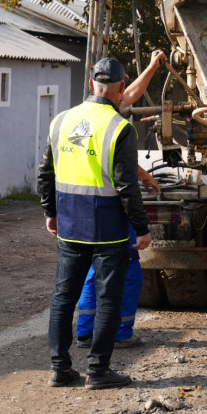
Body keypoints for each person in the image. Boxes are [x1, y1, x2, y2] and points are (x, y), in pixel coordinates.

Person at [38, 56, 152, 389]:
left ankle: (60, 369)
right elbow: (127, 185)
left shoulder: (61, 120)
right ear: (120, 90)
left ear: (91, 85)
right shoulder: (120, 127)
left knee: (63, 296)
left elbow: (46, 173)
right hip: (108, 228)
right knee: (108, 299)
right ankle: (98, 371)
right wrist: (142, 228)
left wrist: (50, 212)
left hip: (70, 225)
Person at [76, 51, 166, 350]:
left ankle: (85, 332)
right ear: (118, 88)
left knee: (92, 272)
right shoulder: (115, 122)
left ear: (93, 84)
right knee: (128, 273)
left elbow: (133, 93)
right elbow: (121, 168)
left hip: (81, 210)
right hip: (111, 209)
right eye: (123, 91)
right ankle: (121, 333)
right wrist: (145, 181)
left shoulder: (77, 118)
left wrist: (152, 66)